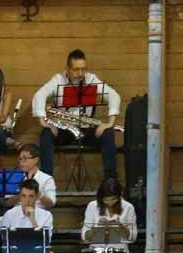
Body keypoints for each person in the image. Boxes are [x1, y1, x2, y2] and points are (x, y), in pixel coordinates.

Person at [31, 49, 120, 183]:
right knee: (46, 134)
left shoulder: (91, 79)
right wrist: (44, 123)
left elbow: (113, 95)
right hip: (64, 129)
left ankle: (111, 182)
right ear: (67, 69)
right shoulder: (58, 79)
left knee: (108, 133)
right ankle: (46, 181)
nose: (80, 73)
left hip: (86, 129)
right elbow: (40, 95)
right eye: (76, 69)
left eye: (83, 69)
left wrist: (110, 123)